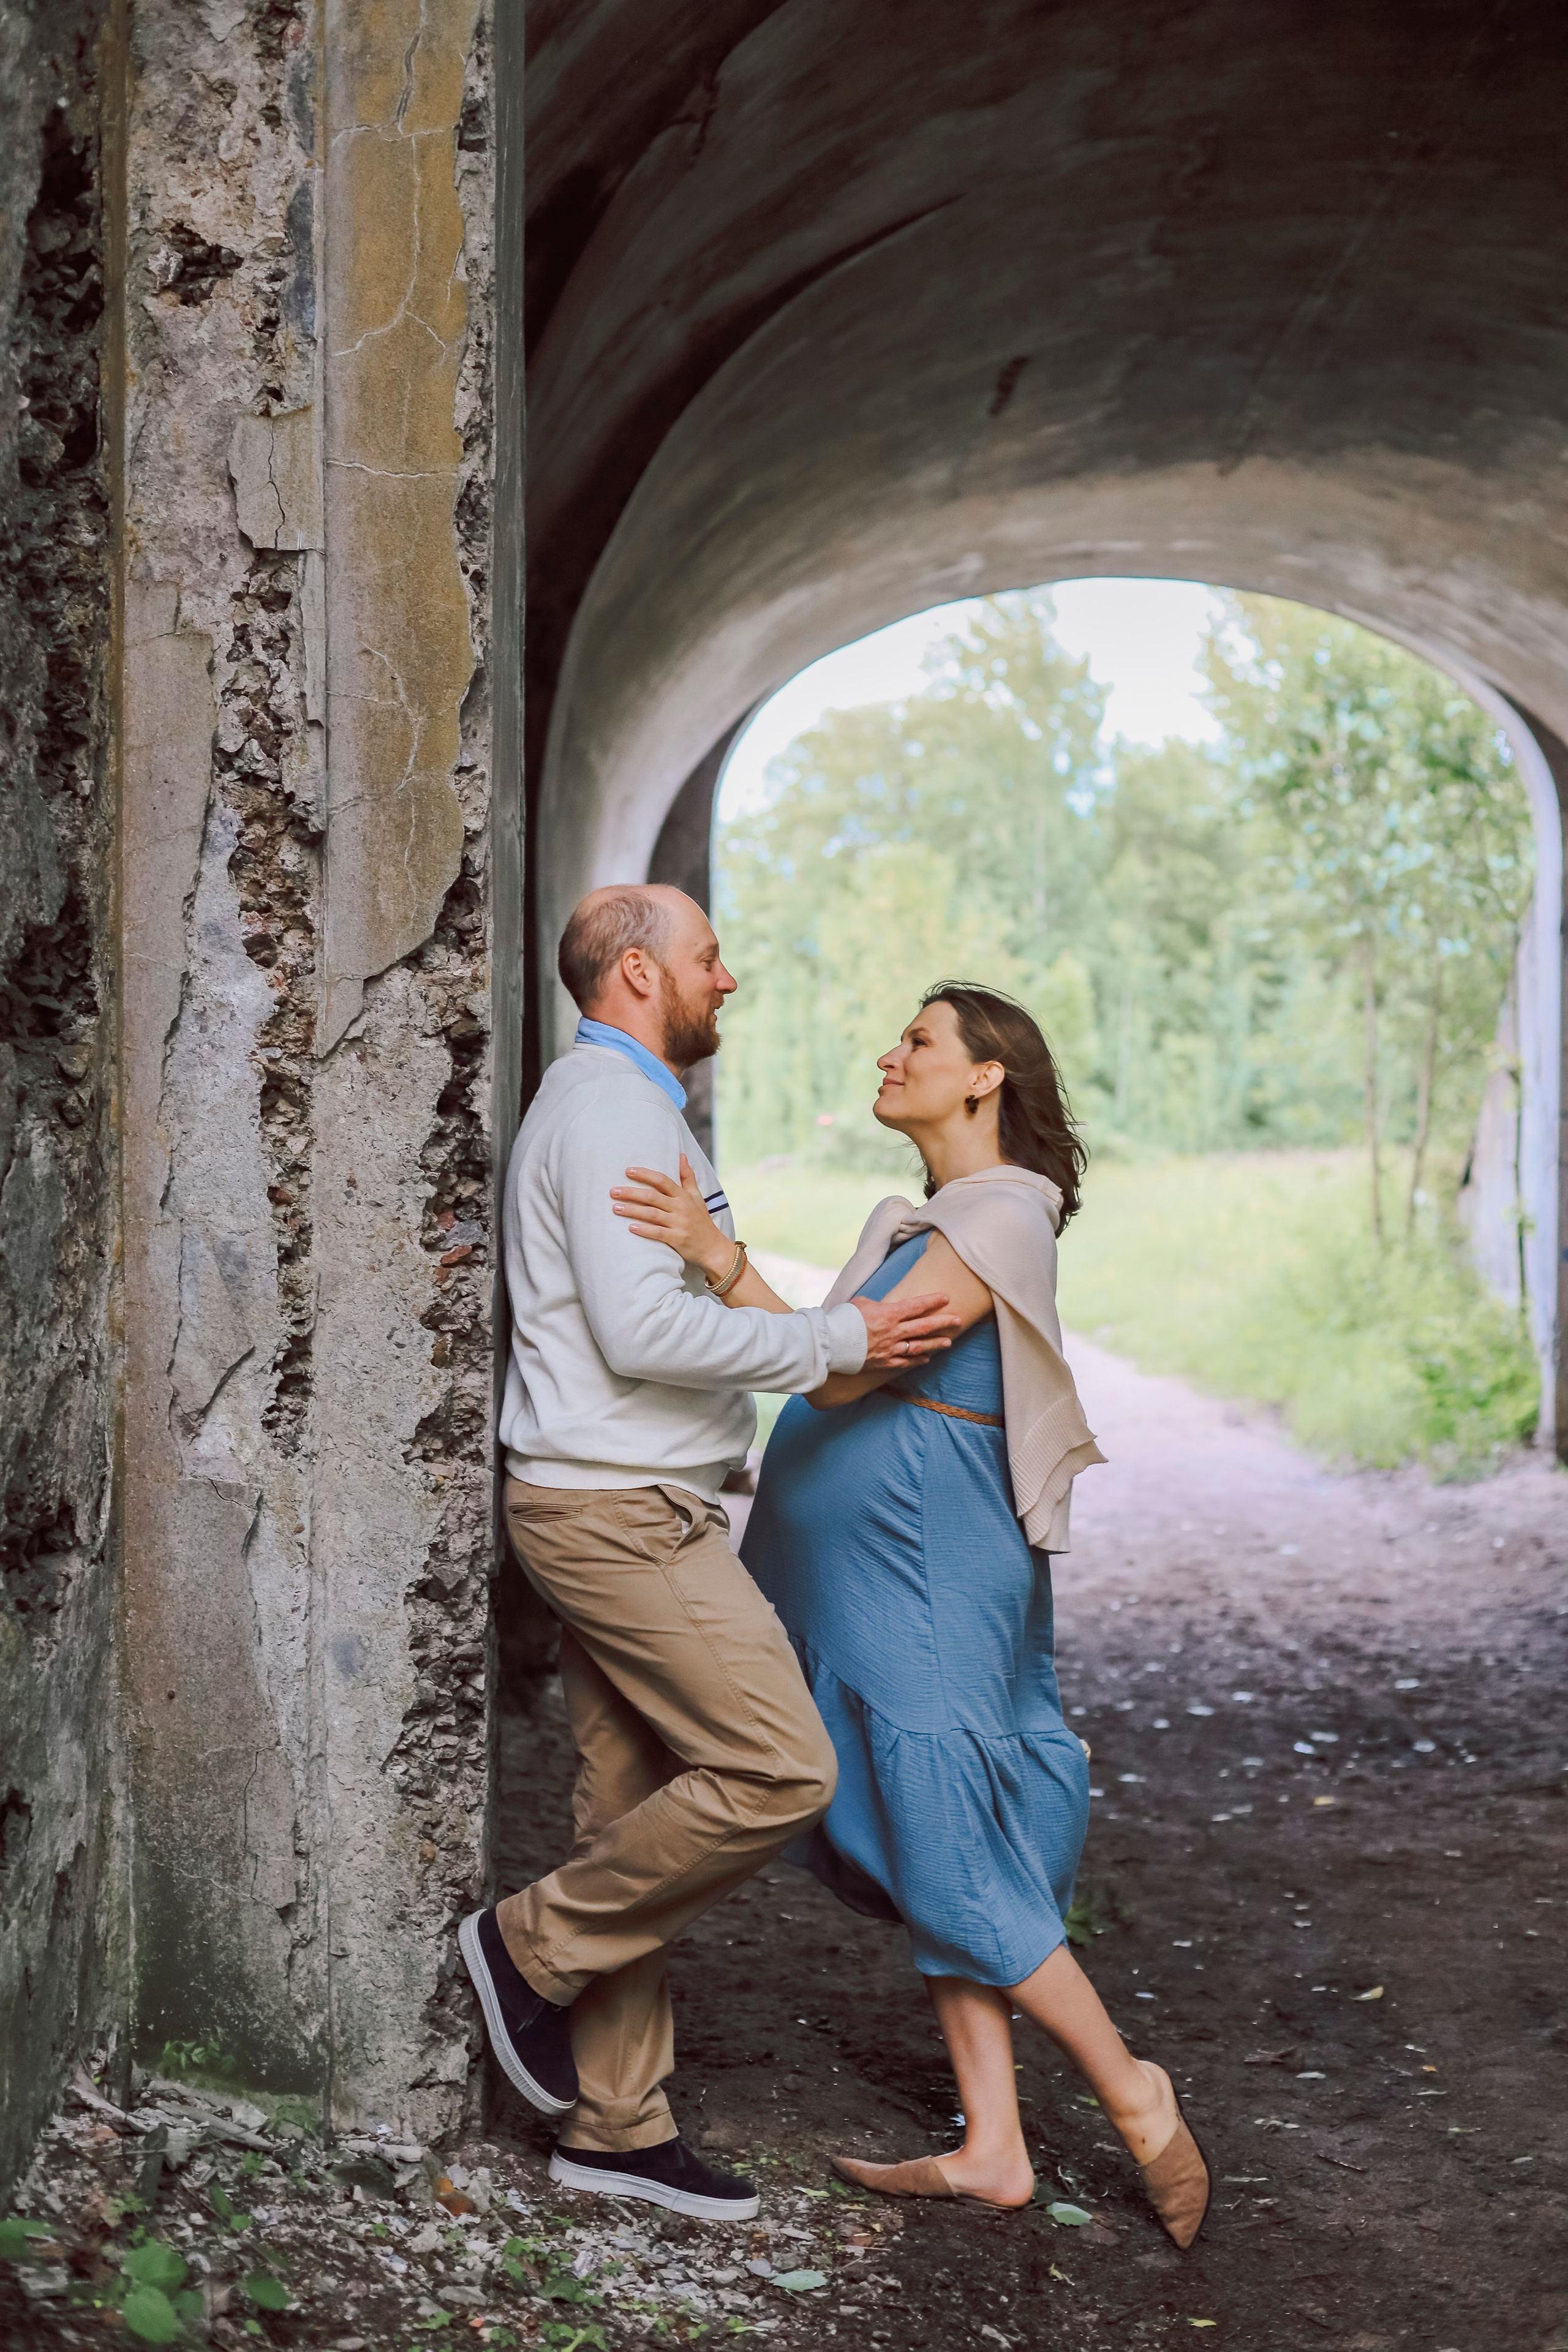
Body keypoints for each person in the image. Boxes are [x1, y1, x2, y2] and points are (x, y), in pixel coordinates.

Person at [610, 982, 1212, 2248]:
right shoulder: (932, 1221)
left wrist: (717, 1261)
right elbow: (831, 1365)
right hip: (877, 1568)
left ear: (985, 1078)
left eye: (920, 1043)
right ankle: (992, 2145)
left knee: (944, 1828)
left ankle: (1130, 2091)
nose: (889, 1056)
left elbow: (836, 1372)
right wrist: (732, 1282)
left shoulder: (997, 1217)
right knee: (917, 1812)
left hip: (924, 1565)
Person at [460, 884, 960, 2225]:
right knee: (779, 1766)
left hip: (619, 1493)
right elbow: (642, 1336)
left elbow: (635, 1325)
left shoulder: (621, 1103)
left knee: (627, 1812)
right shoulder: (616, 1111)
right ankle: (525, 1949)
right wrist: (831, 1345)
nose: (725, 980)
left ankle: (615, 2129)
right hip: (619, 1517)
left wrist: (720, 1426)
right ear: (636, 974)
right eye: (708, 957)